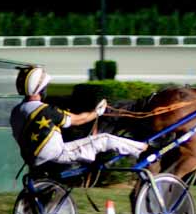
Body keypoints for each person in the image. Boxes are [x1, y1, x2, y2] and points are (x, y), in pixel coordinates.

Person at [10, 66, 148, 168]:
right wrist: (97, 112)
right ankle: (143, 149)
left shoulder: (16, 112)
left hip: (31, 159)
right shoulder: (47, 111)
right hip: (58, 155)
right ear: (41, 89)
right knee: (104, 139)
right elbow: (78, 120)